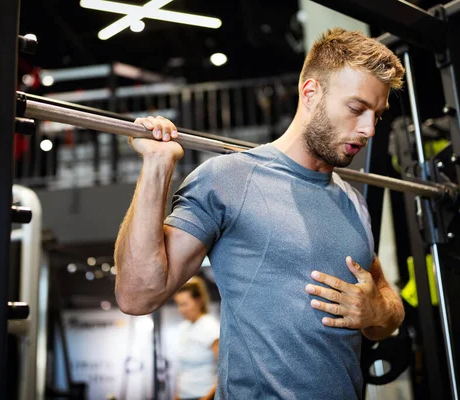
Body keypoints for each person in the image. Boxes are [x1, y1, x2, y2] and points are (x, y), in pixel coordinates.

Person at [114, 27, 406, 399]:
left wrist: (375, 311)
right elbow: (137, 295)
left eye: (376, 115)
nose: (368, 129)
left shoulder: (353, 202)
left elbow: (386, 307)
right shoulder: (228, 179)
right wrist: (157, 167)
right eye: (356, 108)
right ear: (311, 93)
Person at [172, 276, 220, 400]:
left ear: (198, 301)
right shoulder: (183, 327)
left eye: (184, 304)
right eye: (178, 305)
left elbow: (224, 370)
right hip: (184, 395)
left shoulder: (210, 326)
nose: (180, 310)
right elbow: (183, 369)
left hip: (204, 395)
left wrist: (208, 397)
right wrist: (177, 395)